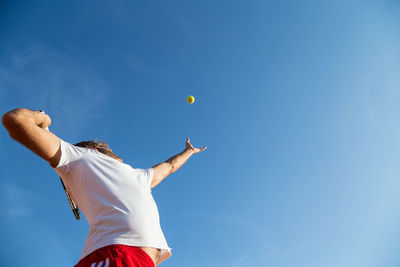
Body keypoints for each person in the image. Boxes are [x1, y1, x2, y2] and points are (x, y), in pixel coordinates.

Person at [2, 108, 207, 267]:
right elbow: (16, 120)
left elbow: (170, 166)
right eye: (106, 147)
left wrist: (189, 151)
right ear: (93, 148)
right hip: (113, 256)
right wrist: (40, 117)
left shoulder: (139, 176)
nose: (110, 148)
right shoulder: (79, 156)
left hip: (130, 258)